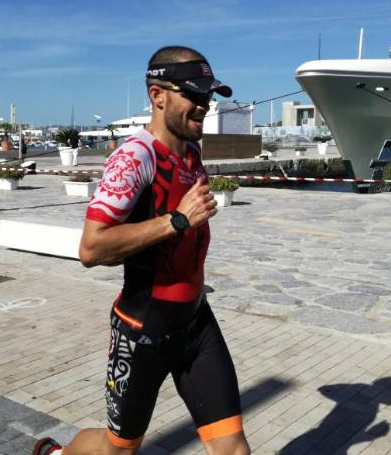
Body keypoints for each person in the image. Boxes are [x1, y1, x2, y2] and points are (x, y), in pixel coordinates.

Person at [33, 46, 250, 455]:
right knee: (118, 450)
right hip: (143, 330)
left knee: (233, 447)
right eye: (194, 94)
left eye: (208, 96)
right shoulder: (133, 159)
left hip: (196, 324)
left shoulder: (191, 152)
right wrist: (177, 220)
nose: (204, 105)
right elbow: (91, 247)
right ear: (157, 95)